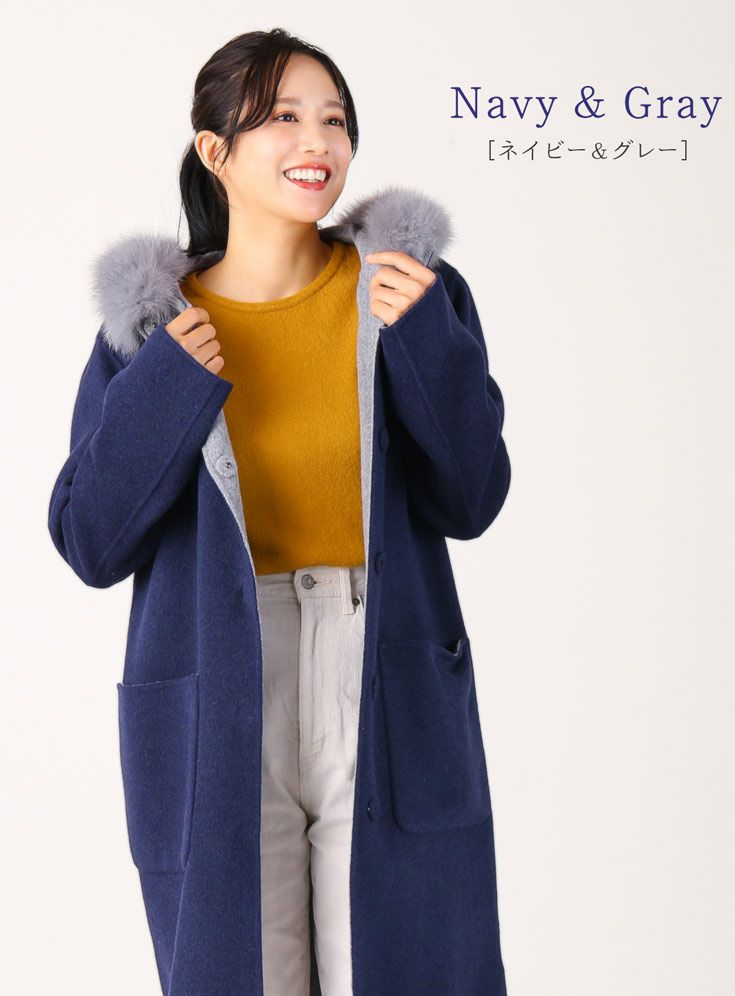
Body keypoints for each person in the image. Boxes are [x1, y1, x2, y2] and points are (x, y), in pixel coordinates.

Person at [48, 27, 512, 996]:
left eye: (335, 120)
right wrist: (167, 384)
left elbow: (473, 498)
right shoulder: (155, 332)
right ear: (215, 151)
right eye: (284, 118)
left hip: (379, 675)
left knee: (405, 970)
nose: (318, 142)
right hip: (220, 683)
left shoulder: (405, 295)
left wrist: (426, 339)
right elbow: (90, 540)